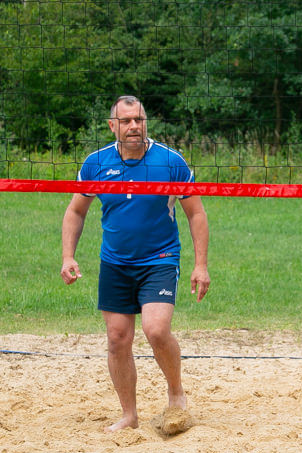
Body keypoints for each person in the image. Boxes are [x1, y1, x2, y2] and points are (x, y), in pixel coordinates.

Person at [60, 95, 210, 433]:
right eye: (126, 121)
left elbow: (196, 213)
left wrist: (200, 265)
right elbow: (76, 211)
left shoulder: (170, 162)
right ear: (113, 126)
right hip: (114, 262)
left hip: (159, 258)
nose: (133, 127)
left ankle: (176, 393)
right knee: (117, 338)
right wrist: (68, 256)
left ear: (146, 123)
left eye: (138, 120)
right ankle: (129, 415)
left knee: (156, 330)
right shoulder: (96, 163)